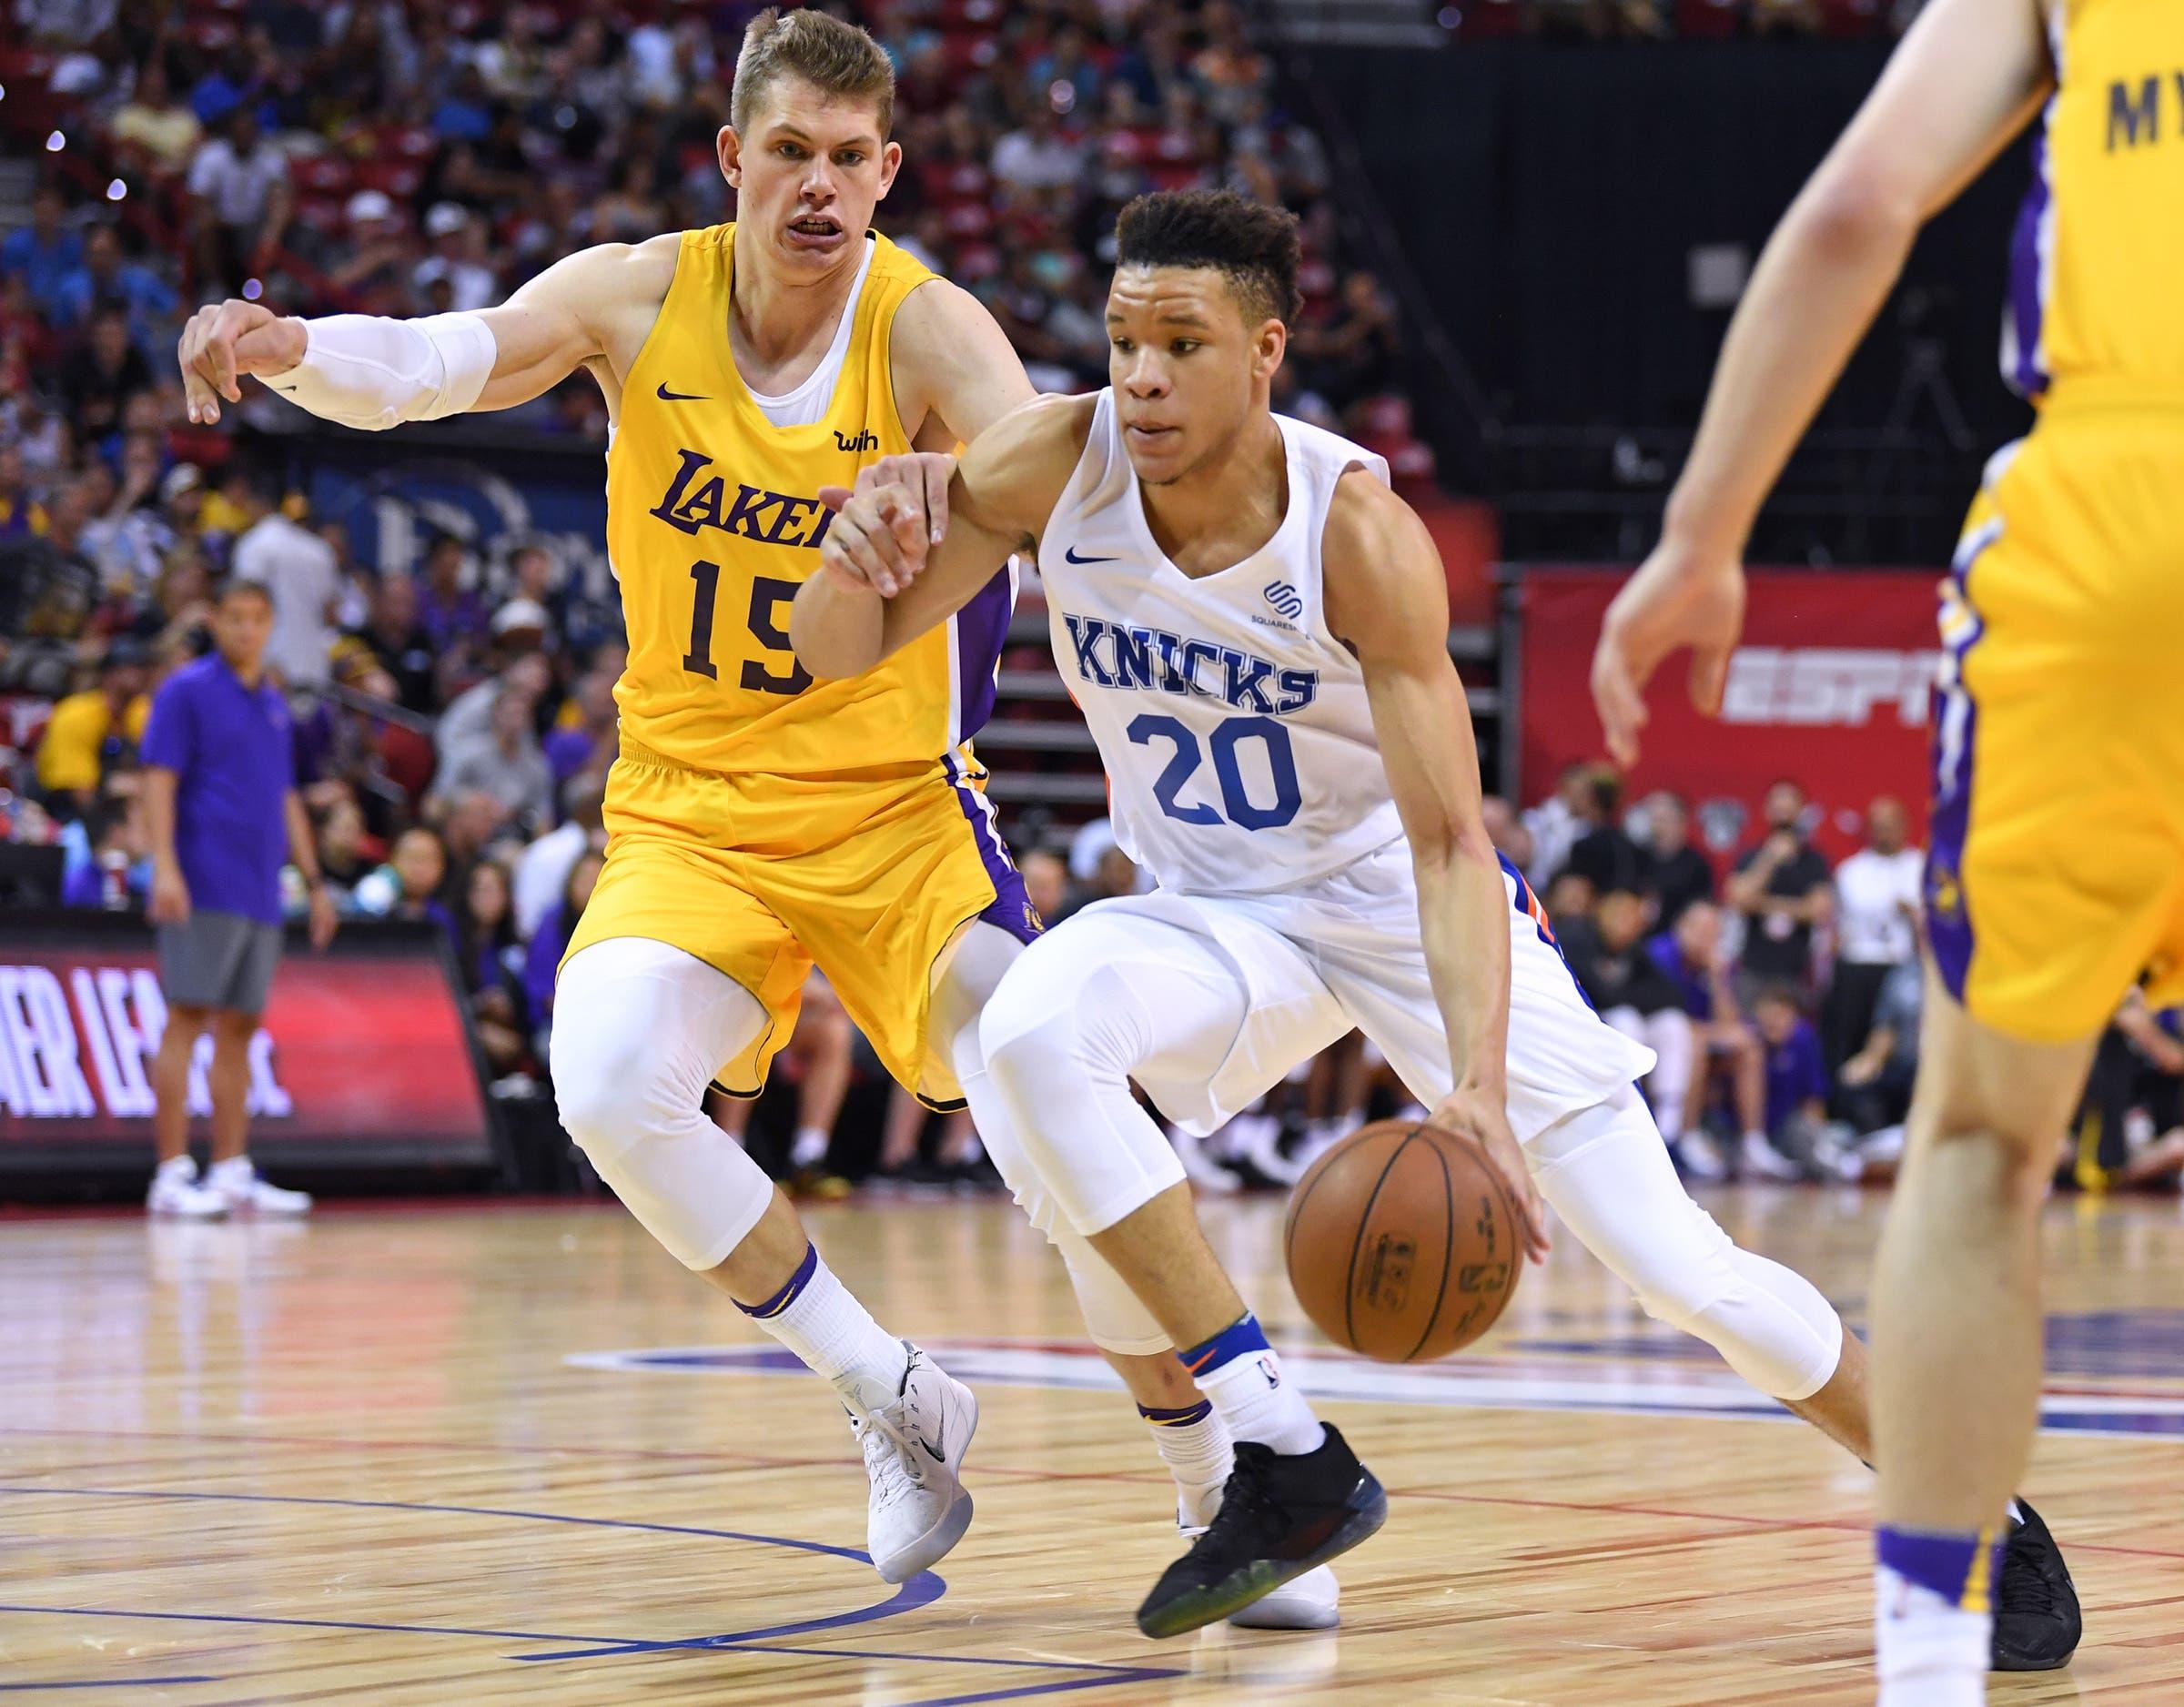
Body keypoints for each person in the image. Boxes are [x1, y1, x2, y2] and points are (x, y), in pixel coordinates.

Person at [177, 8, 1285, 1605]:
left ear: (889, 171)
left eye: (851, 159)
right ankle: (884, 1392)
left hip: (897, 813)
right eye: (791, 155)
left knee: (1065, 1127)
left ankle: (1218, 1480)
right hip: (693, 816)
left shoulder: (924, 325)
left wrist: (989, 498)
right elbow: (437, 362)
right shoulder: (640, 294)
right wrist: (292, 345)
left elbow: (1054, 473)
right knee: (606, 1080)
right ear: (733, 161)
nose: (820, 188)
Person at [797, 187, 1959, 1639]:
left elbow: (1453, 847)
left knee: (1683, 1273)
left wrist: (1471, 1087)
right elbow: (826, 653)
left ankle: (1959, 1500)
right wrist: (862, 534)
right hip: (1213, 918)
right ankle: (1271, 1457)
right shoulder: (1048, 465)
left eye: (1182, 343)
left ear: (1265, 350)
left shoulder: (1357, 531)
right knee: (1026, 1035)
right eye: (1122, 340)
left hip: (1401, 910)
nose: (1142, 376)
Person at [1586, 0, 2109, 1687]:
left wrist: (1704, 531)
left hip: (2120, 523)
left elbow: (1855, 210)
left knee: (1976, 1158)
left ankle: (1929, 1670)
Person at [139, 580, 336, 1220]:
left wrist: (313, 879)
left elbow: (285, 798)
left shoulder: (274, 703)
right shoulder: (185, 690)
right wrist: (164, 867)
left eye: (257, 619)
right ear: (215, 621)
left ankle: (230, 1171)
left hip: (259, 889)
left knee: (241, 1029)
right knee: (187, 1018)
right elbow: (158, 780)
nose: (246, 630)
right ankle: (170, 1175)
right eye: (234, 618)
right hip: (203, 880)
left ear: (271, 623)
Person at [1824, 795, 1924, 1076]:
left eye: (1890, 825)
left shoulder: (1922, 867)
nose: (1884, 833)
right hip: (1858, 966)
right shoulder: (1850, 871)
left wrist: (1913, 913)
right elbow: (1837, 926)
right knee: (1851, 1040)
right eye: (1877, 825)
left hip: (1905, 968)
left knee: (1903, 1045)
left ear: (1905, 826)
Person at [230, 464, 342, 689]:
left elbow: (244, 608)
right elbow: (332, 615)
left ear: (255, 502)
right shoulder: (319, 549)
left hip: (269, 668)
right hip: (313, 669)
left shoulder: (254, 544)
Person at [1724, 780, 1833, 995]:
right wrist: (1770, 859)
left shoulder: (1814, 861)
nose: (1783, 808)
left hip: (1796, 971)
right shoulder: (1751, 856)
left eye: (1789, 802)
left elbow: (1818, 910)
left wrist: (1760, 904)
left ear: (1802, 810)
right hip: (1753, 967)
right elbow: (1737, 899)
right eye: (1777, 801)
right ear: (1766, 809)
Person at [34, 636, 150, 814]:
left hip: (123, 812)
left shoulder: (141, 710)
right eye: (132, 667)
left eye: (143, 667)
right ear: (109, 674)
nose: (141, 674)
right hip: (68, 817)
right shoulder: (76, 714)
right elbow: (80, 794)